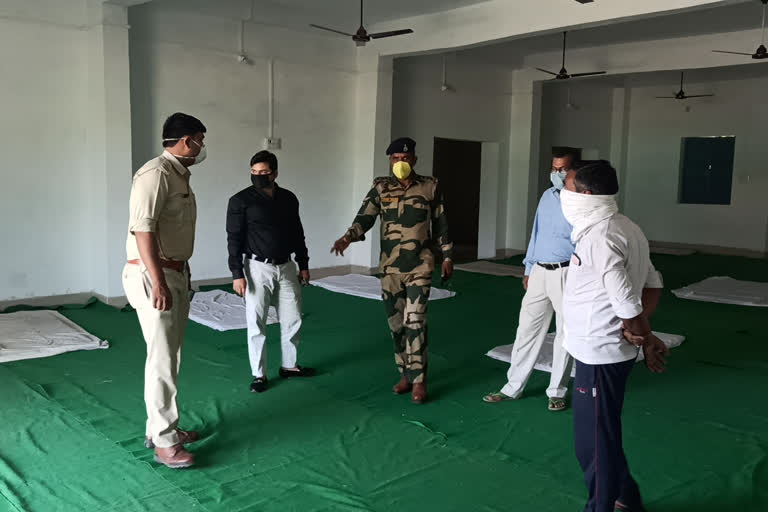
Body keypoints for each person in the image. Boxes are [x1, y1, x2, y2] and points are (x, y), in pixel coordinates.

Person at [560, 160, 669, 512]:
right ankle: (627, 500)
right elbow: (653, 284)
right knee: (600, 436)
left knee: (594, 446)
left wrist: (642, 332)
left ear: (587, 195)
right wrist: (639, 330)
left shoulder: (602, 237)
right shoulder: (626, 227)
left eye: (569, 186)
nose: (564, 193)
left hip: (600, 353)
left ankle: (602, 507)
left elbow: (625, 298)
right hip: (601, 349)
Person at [330, 137, 453, 404]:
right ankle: (405, 374)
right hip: (389, 268)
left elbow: (441, 222)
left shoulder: (430, 186)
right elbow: (365, 216)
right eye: (396, 159)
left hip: (420, 264)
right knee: (396, 324)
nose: (401, 163)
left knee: (415, 321)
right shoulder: (381, 187)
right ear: (390, 161)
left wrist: (447, 255)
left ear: (414, 160)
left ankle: (419, 380)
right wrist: (347, 237)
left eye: (405, 158)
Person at [122, 112, 207, 469]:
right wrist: (158, 281)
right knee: (161, 359)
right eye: (200, 139)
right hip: (152, 274)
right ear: (186, 141)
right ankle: (164, 441)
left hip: (173, 272)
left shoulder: (177, 175)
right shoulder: (155, 175)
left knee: (170, 356)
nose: (203, 147)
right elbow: (142, 231)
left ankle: (160, 427)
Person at [483, 148, 578, 411]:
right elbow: (536, 232)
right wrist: (528, 267)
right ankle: (512, 387)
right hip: (539, 271)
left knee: (565, 334)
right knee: (526, 329)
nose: (556, 174)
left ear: (573, 171)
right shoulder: (547, 196)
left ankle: (557, 391)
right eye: (553, 168)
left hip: (567, 272)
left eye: (561, 169)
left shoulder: (580, 200)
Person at [226, 150, 315, 393]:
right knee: (257, 321)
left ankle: (290, 365)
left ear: (275, 173)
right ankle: (259, 374)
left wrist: (303, 264)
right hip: (256, 267)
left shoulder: (288, 198)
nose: (258, 176)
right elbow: (233, 238)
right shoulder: (240, 201)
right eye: (254, 172)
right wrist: (237, 274)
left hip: (286, 266)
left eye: (263, 172)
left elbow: (297, 232)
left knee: (293, 316)